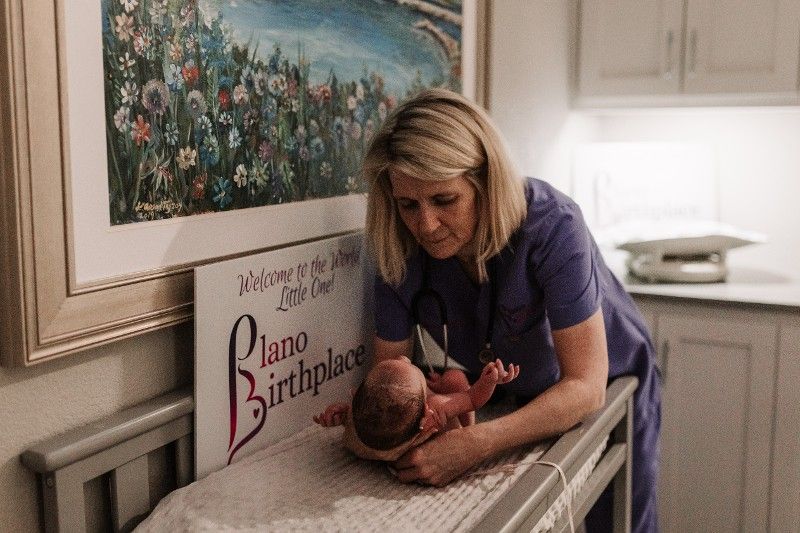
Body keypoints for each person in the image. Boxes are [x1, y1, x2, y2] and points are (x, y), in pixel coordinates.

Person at [361, 87, 661, 533]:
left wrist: (473, 445)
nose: (425, 225)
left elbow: (585, 386)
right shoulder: (398, 248)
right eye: (408, 204)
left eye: (444, 200)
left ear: (485, 181)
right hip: (517, 386)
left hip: (611, 380)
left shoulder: (552, 225)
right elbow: (388, 379)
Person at [313, 357, 520, 461]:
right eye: (413, 367)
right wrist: (489, 380)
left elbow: (371, 413)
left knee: (377, 406)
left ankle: (432, 385)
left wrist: (341, 415)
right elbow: (472, 399)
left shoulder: (362, 433)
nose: (405, 358)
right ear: (425, 412)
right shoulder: (436, 408)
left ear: (355, 394)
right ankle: (461, 418)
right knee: (455, 378)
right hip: (446, 432)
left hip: (398, 436)